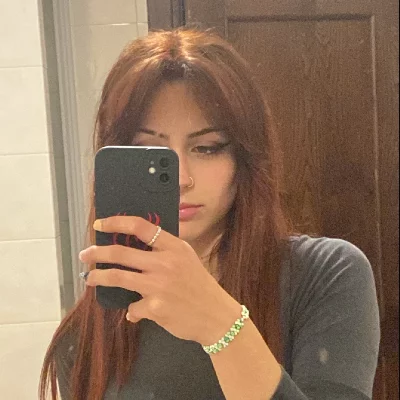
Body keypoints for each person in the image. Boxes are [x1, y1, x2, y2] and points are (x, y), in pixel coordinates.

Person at [39, 28, 380, 400]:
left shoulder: (324, 275)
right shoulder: (88, 334)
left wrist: (220, 326)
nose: (181, 179)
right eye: (152, 153)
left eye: (206, 148)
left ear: (244, 158)